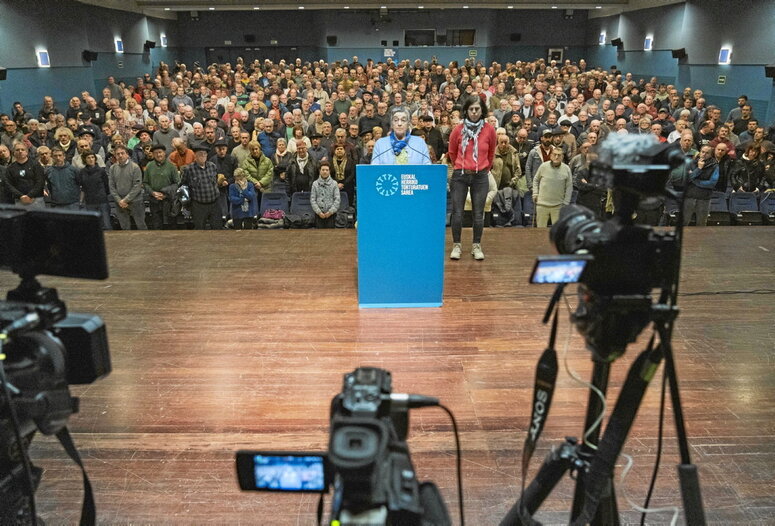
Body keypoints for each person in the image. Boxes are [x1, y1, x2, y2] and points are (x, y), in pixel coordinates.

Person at [447, 96, 497, 260]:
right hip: (460, 176)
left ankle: (476, 245)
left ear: (482, 110)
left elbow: (491, 154)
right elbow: (452, 152)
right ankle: (457, 245)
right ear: (466, 111)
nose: (474, 112)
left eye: (477, 109)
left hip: (480, 176)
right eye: (471, 109)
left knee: (478, 214)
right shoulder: (458, 129)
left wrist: (482, 168)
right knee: (458, 213)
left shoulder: (489, 129)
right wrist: (461, 166)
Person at [182, 145, 222, 229]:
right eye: (200, 154)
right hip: (198, 205)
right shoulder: (189, 169)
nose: (203, 156)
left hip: (214, 203)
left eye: (205, 154)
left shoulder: (212, 166)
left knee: (218, 229)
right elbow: (183, 186)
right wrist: (186, 205)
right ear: (195, 156)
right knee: (199, 230)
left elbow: (215, 181)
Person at [532, 147, 573, 227]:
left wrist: (566, 202)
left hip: (558, 206)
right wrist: (535, 193)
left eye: (559, 155)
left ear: (562, 157)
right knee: (540, 232)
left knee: (557, 233)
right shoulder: (543, 166)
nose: (556, 157)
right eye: (554, 155)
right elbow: (536, 180)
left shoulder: (567, 169)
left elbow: (569, 187)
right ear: (551, 156)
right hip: (542, 205)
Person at [108, 145, 147, 230]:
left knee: (141, 225)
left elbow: (137, 186)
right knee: (124, 227)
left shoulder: (135, 167)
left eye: (122, 153)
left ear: (127, 155)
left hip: (135, 201)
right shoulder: (112, 168)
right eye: (118, 154)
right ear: (115, 156)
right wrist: (119, 200)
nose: (120, 155)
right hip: (120, 203)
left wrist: (125, 200)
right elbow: (111, 186)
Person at [143, 144, 180, 229]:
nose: (158, 155)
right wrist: (153, 193)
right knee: (156, 225)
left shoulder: (171, 166)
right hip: (154, 200)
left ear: (164, 153)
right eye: (155, 153)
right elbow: (145, 183)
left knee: (171, 225)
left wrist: (165, 194)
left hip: (168, 201)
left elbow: (177, 183)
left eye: (160, 152)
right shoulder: (149, 166)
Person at [683, 144, 719, 226]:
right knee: (684, 222)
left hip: (704, 198)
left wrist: (696, 181)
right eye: (702, 152)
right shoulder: (691, 163)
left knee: (701, 224)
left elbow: (712, 183)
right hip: (689, 196)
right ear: (699, 152)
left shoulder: (714, 166)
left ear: (711, 154)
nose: (704, 154)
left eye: (707, 153)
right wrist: (699, 169)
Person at [76, 150, 112, 230]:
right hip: (89, 201)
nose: (91, 159)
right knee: (93, 226)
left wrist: (104, 195)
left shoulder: (101, 171)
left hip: (102, 201)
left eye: (92, 157)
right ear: (84, 159)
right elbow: (83, 187)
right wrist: (81, 201)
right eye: (88, 158)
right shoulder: (82, 172)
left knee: (106, 224)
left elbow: (106, 185)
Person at [6, 143, 45, 208]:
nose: (20, 151)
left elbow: (40, 182)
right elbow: (9, 184)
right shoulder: (10, 168)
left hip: (36, 200)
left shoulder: (35, 165)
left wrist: (30, 195)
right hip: (19, 201)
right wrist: (20, 196)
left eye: (22, 149)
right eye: (17, 150)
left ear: (27, 152)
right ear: (13, 153)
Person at [310, 162, 340, 228]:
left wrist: (330, 212)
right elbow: (312, 200)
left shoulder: (334, 184)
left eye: (327, 170)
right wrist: (319, 212)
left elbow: (337, 200)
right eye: (323, 170)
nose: (325, 172)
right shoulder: (315, 184)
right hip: (319, 215)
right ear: (319, 171)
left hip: (331, 215)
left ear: (329, 171)